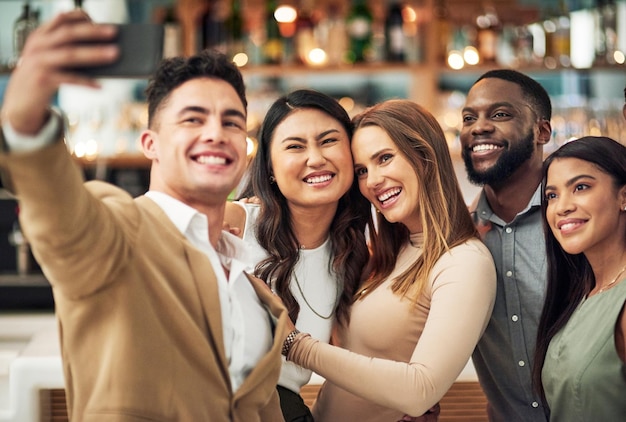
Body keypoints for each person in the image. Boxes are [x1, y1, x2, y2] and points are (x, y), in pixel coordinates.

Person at [0, 10, 288, 421]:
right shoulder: (119, 233)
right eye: (193, 118)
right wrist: (26, 121)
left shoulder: (249, 281)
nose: (215, 132)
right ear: (150, 143)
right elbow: (62, 217)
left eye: (232, 121)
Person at [280, 99, 497, 421]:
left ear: (425, 156)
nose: (373, 181)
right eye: (362, 171)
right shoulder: (388, 254)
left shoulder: (464, 261)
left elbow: (420, 390)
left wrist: (294, 344)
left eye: (385, 158)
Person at [224, 89, 371, 421]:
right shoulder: (233, 223)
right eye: (295, 146)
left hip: (286, 410)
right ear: (271, 169)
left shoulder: (354, 255)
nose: (316, 158)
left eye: (329, 141)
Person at [459, 69, 553, 421]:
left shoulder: (581, 222)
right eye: (469, 117)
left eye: (500, 114)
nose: (478, 127)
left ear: (542, 131)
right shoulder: (459, 236)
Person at [533, 136, 626, 420]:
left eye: (580, 187)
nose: (562, 207)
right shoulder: (581, 295)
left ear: (623, 196)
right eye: (552, 195)